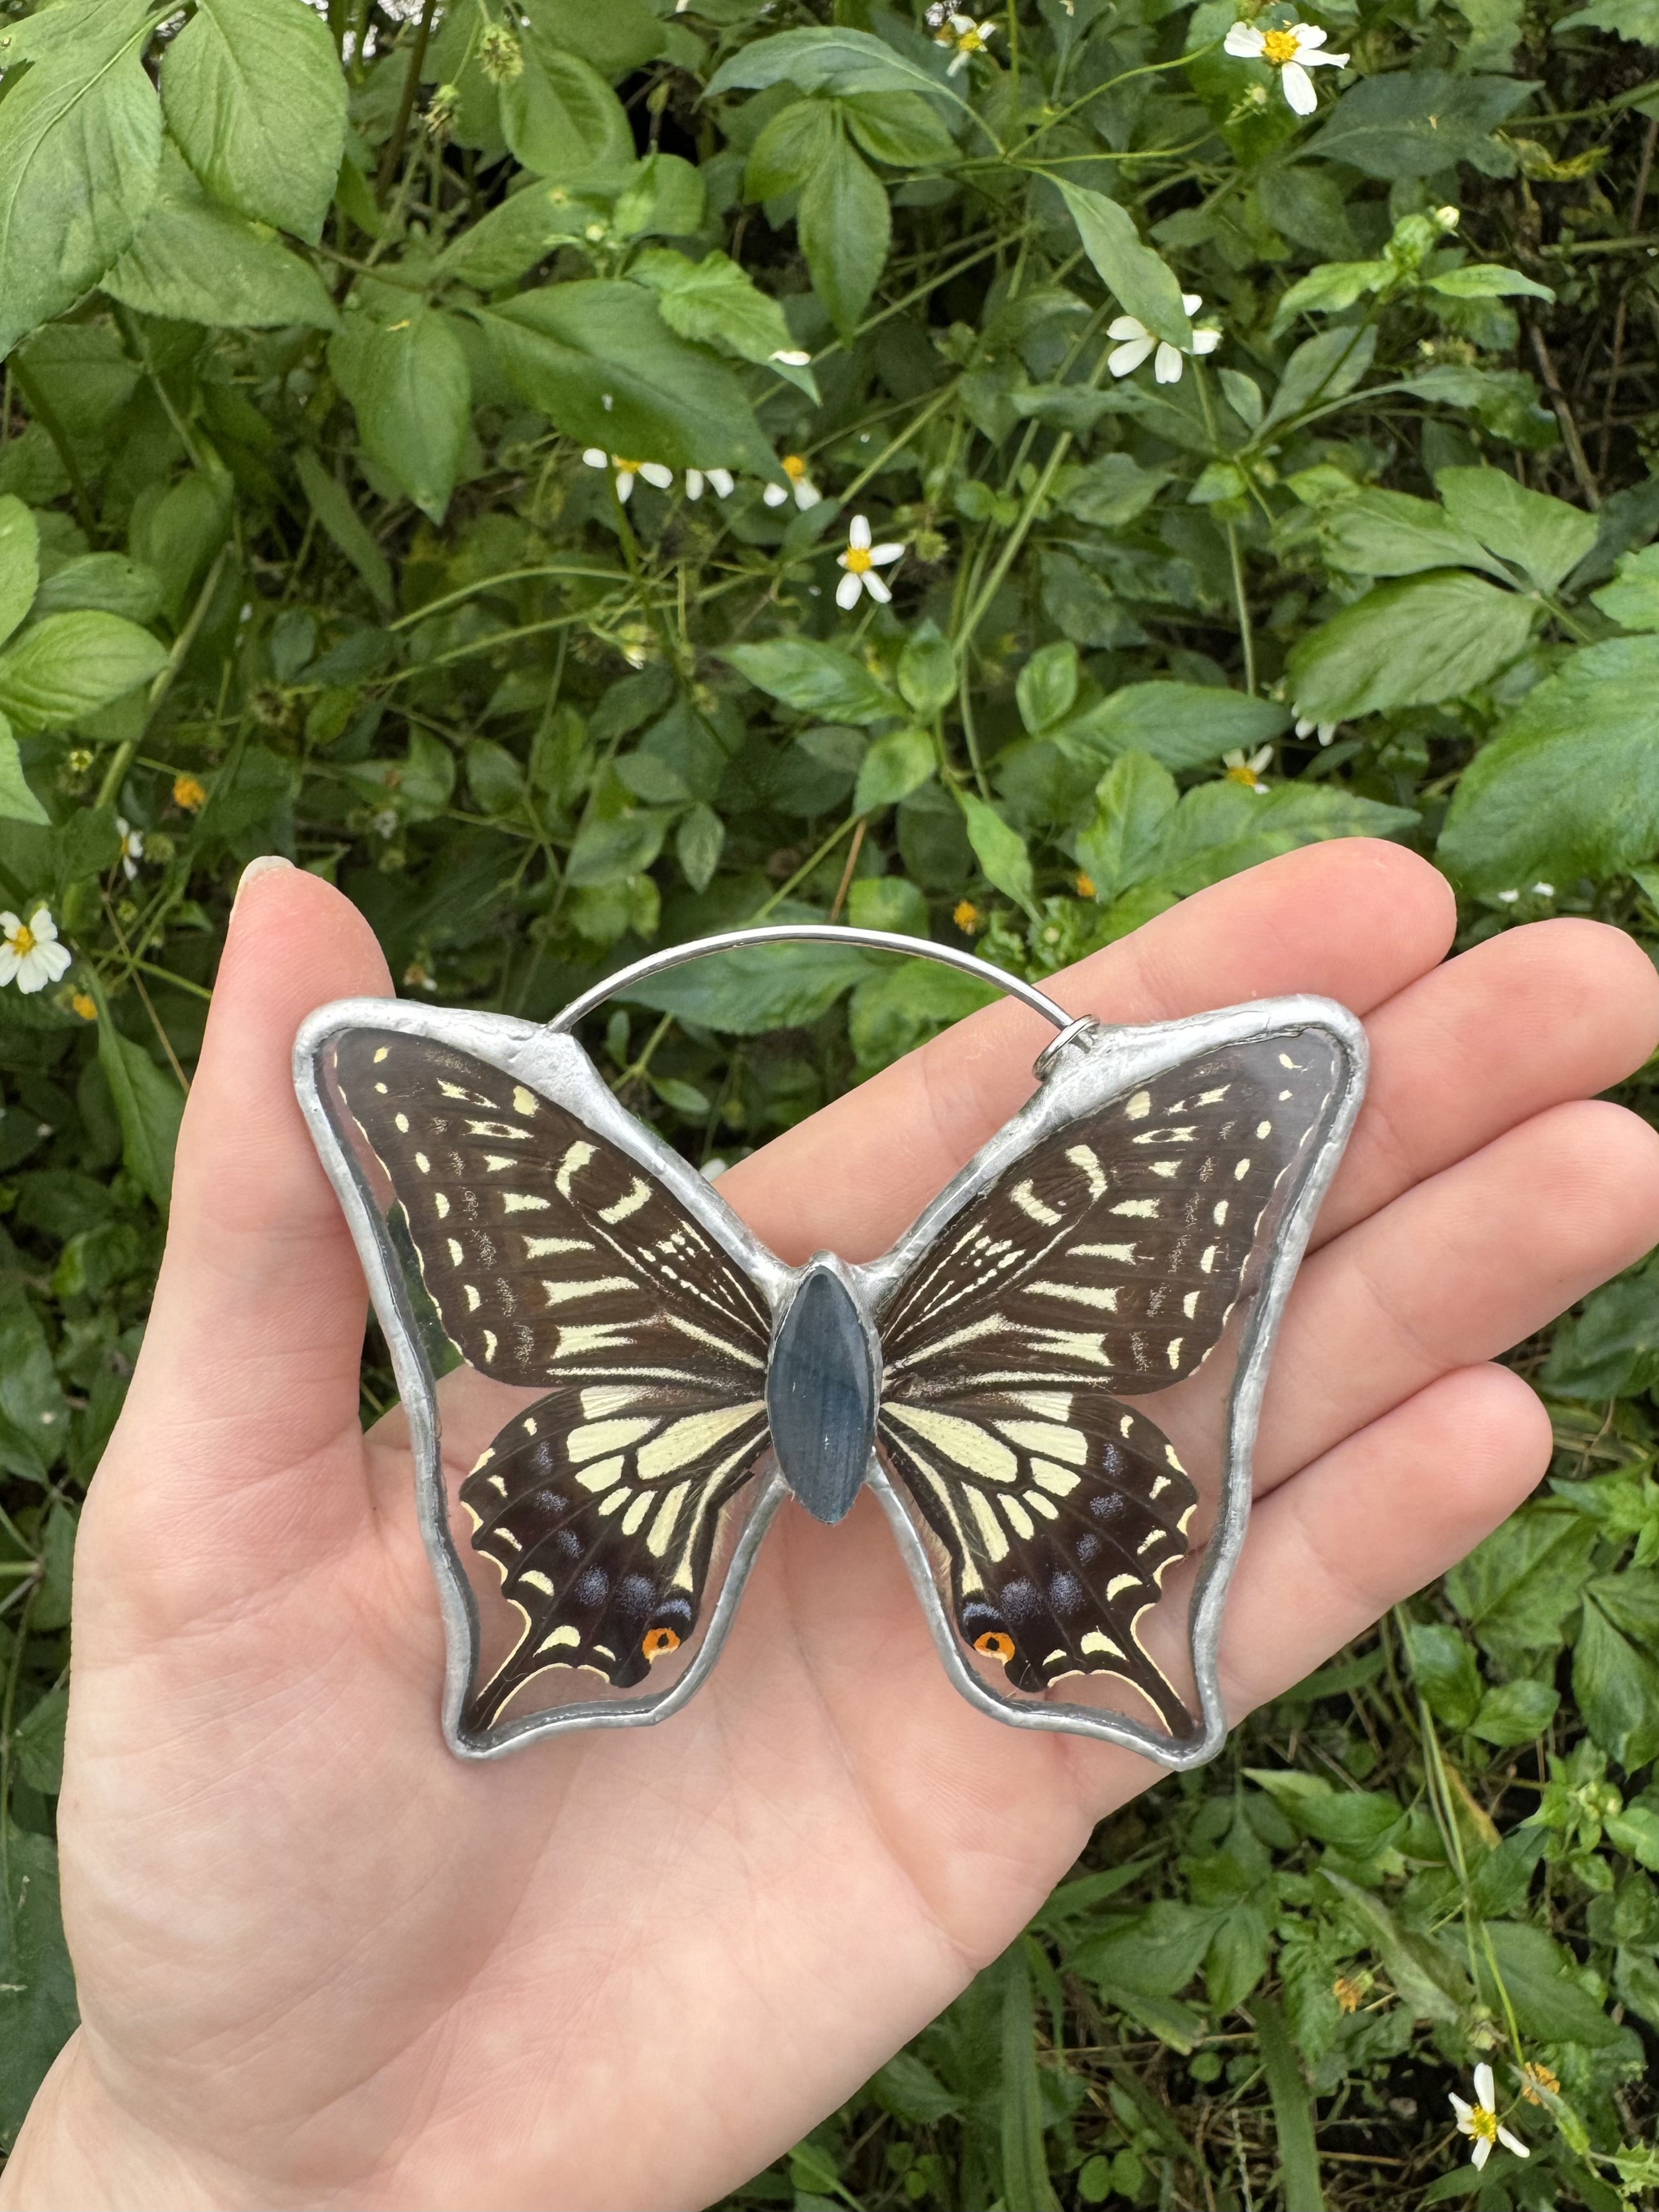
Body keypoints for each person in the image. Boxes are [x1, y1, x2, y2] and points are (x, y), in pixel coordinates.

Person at [4, 841, 1657, 2212]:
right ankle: (690, 1648)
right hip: (974, 1429)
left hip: (668, 1436)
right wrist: (203, 2154)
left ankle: (925, 1642)